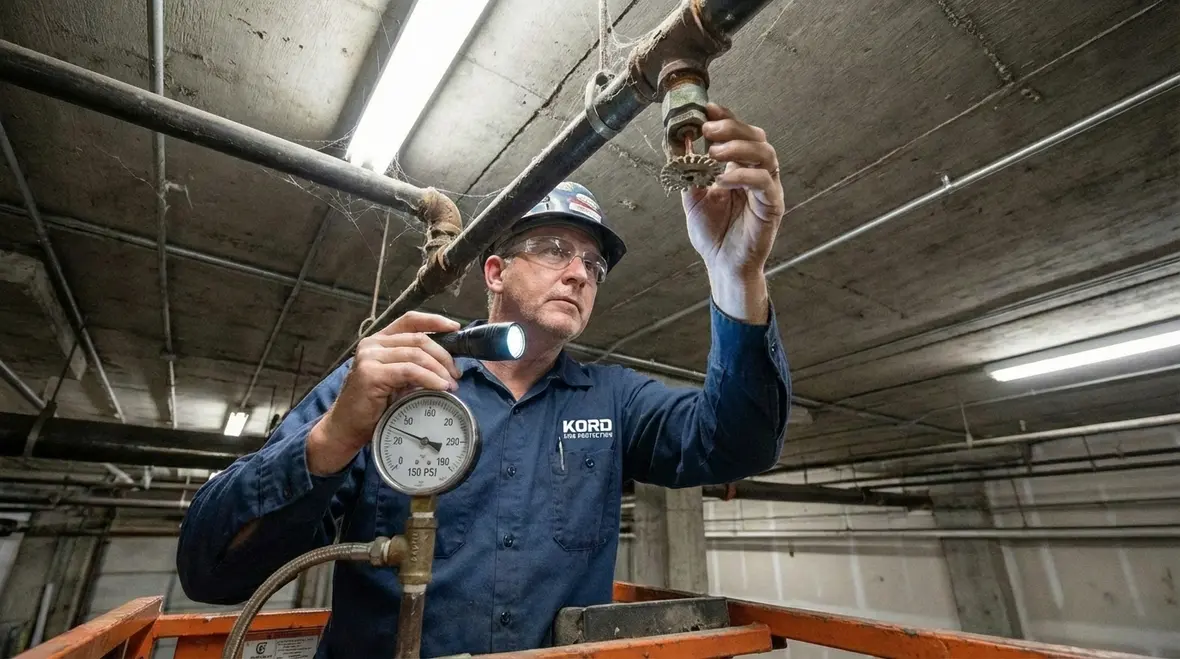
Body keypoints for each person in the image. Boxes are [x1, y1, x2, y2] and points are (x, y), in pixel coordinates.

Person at [176, 104, 791, 657]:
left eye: (593, 264)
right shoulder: (398, 377)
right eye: (554, 249)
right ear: (495, 271)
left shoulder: (615, 401)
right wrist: (335, 436)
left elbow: (740, 442)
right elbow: (215, 573)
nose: (579, 273)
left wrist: (737, 273)